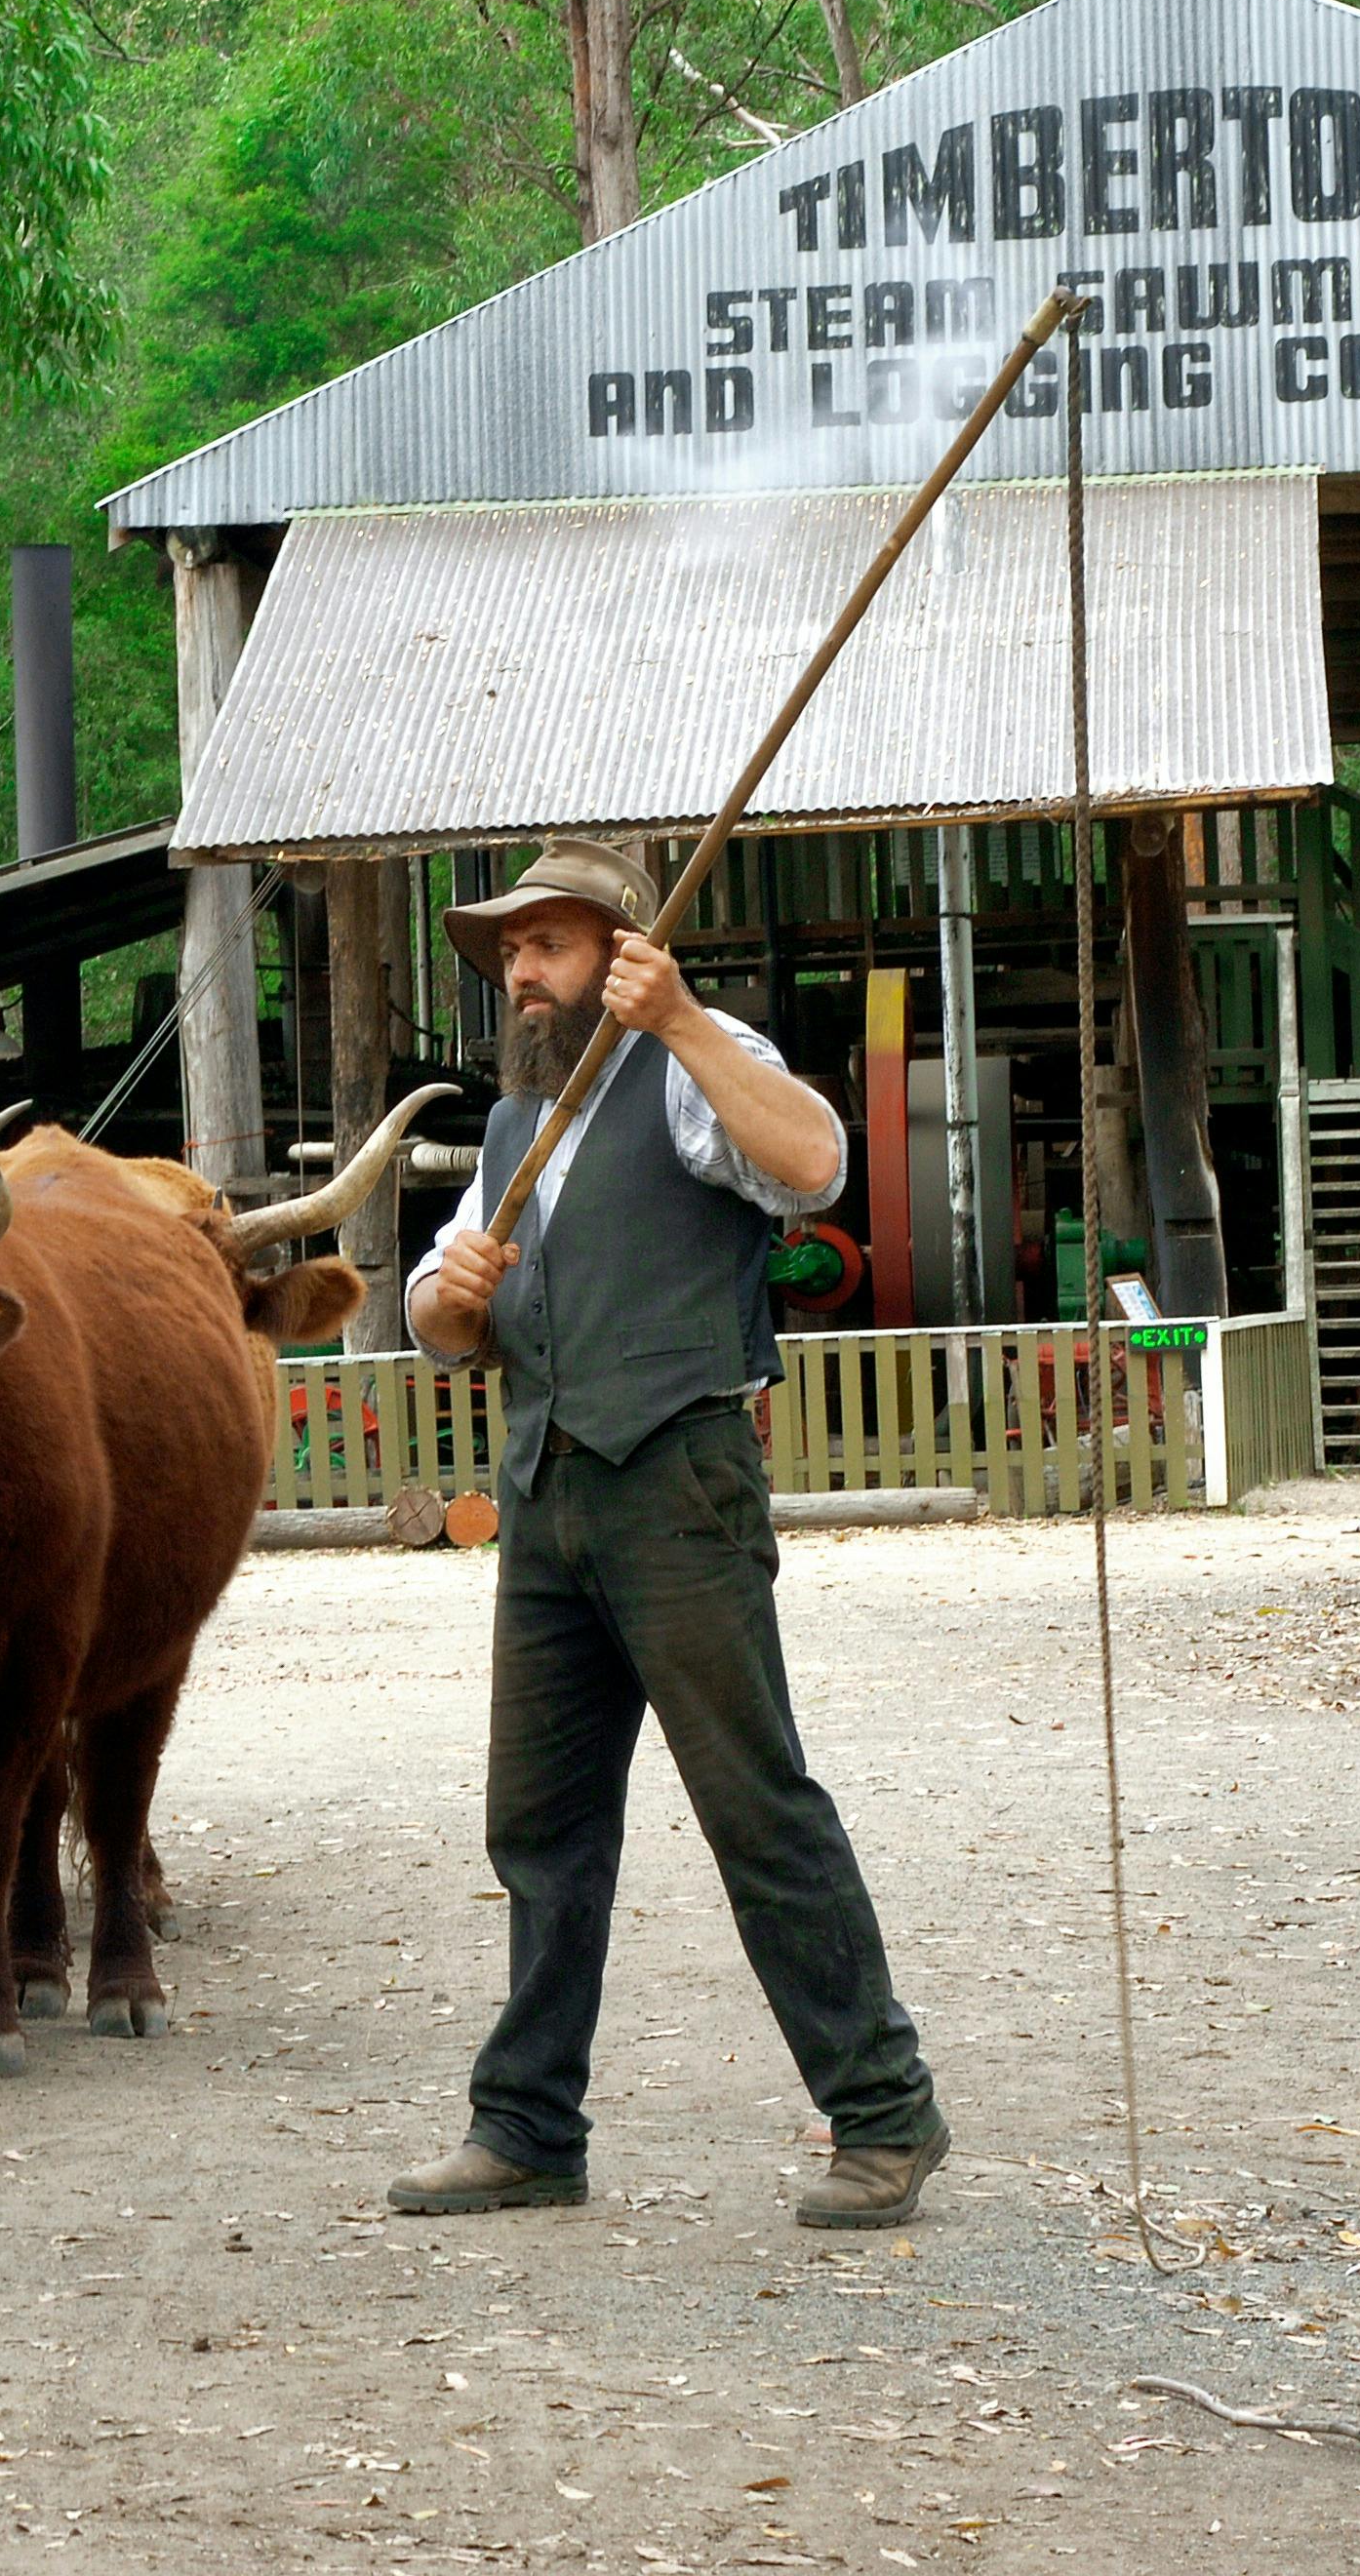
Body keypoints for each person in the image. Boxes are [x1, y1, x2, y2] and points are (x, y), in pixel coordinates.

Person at [387, 837, 948, 2233]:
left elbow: (815, 1164)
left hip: (678, 1485)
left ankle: (886, 2113)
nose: (519, 974)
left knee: (757, 1807)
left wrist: (685, 1020)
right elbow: (442, 1323)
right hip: (545, 1495)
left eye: (549, 947)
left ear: (623, 954)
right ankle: (526, 2130)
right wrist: (450, 1302)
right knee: (542, 1829)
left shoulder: (694, 1064)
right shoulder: (513, 1122)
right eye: (509, 952)